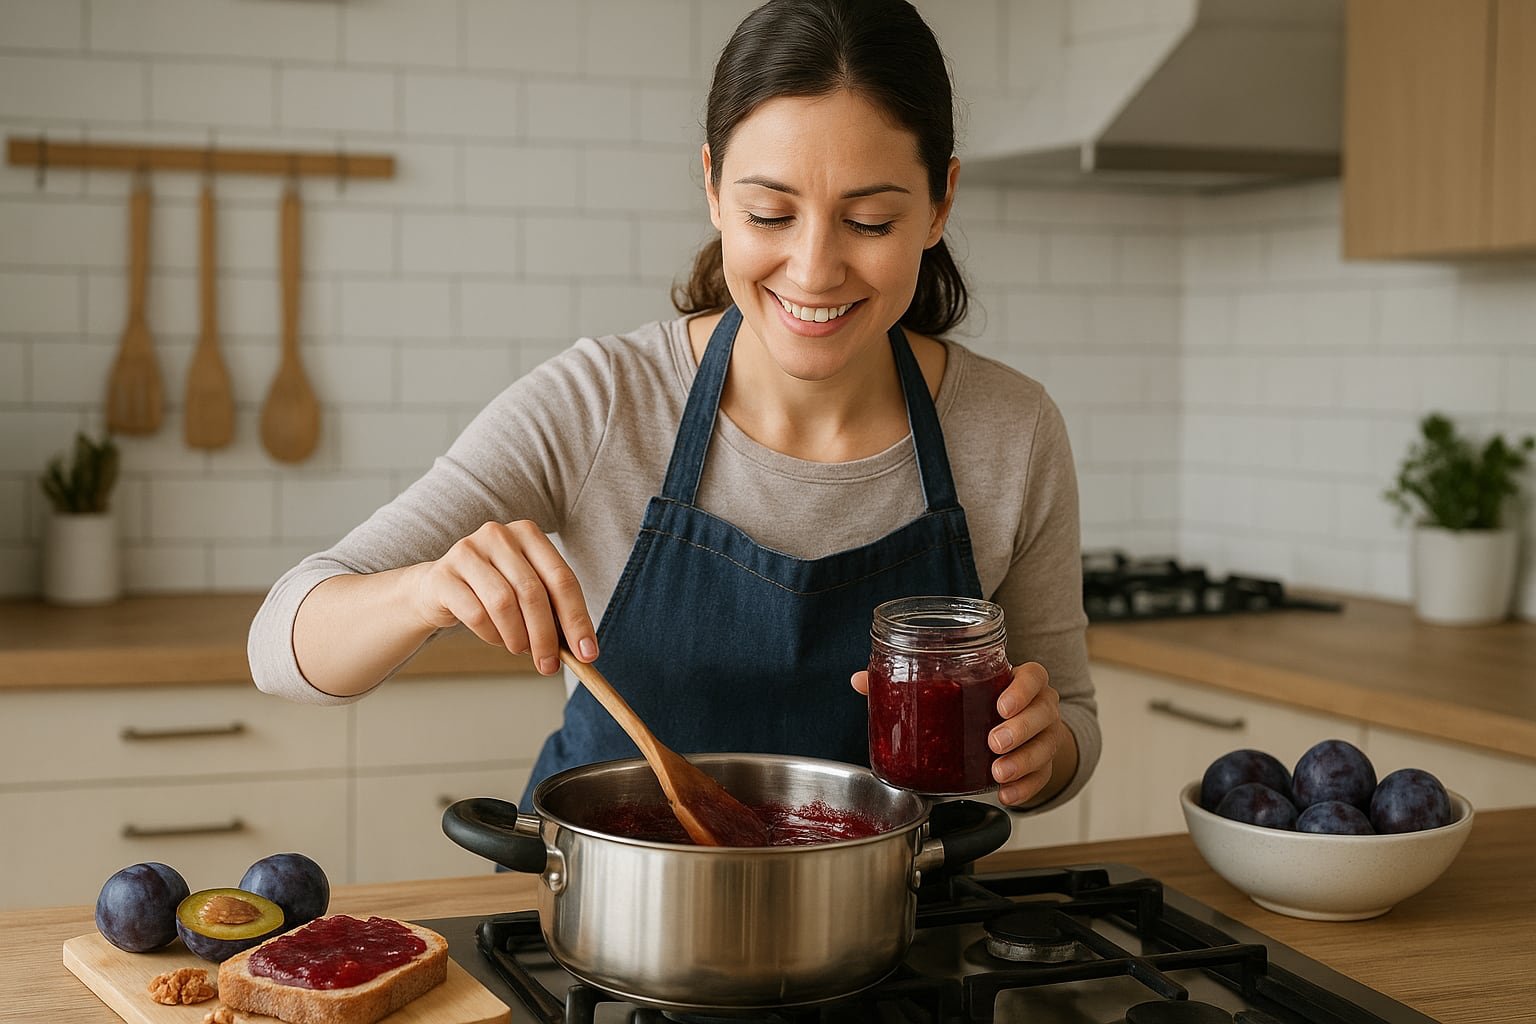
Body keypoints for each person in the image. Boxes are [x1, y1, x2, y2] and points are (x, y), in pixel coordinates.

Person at [249, 0, 1099, 814]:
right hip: (618, 931)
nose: (813, 269)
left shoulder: (1011, 431)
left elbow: (1074, 722)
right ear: (712, 187)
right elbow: (281, 643)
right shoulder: (600, 405)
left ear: (940, 202)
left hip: (901, 932)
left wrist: (1041, 751)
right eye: (770, 213)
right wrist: (426, 592)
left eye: (869, 222)